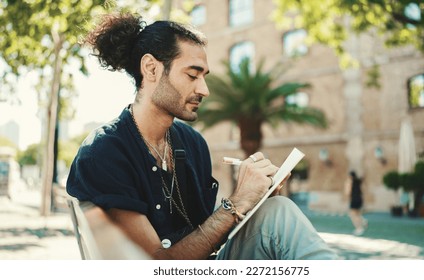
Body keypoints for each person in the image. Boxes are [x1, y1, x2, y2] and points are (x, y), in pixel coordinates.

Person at [66, 12, 337, 260]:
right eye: (192, 75)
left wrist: (253, 203)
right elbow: (155, 265)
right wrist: (236, 202)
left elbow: (208, 238)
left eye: (204, 76)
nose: (204, 89)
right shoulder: (104, 151)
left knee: (276, 211)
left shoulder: (192, 143)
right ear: (151, 69)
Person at [344, 171, 368, 236]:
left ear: (351, 176)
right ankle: (363, 221)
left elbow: (348, 193)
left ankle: (359, 228)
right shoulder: (358, 181)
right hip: (360, 200)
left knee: (352, 215)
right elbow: (363, 177)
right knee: (357, 213)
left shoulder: (350, 182)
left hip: (354, 200)